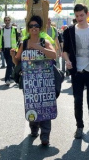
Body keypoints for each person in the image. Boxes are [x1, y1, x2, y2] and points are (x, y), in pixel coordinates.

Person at [10, 15, 56, 145]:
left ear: (40, 28)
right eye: (31, 26)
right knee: (32, 105)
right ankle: (34, 128)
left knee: (45, 106)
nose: (34, 28)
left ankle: (45, 135)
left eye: (36, 26)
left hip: (44, 81)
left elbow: (54, 55)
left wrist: (38, 47)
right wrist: (13, 55)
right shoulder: (24, 43)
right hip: (29, 82)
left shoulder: (44, 41)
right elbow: (17, 61)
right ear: (28, 29)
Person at [63, 3, 89, 144]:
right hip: (77, 72)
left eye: (82, 15)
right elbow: (65, 50)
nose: (79, 18)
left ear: (87, 14)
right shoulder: (69, 31)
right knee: (78, 101)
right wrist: (67, 61)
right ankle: (79, 127)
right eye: (77, 16)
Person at [0, 16, 18, 85]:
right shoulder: (2, 30)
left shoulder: (14, 29)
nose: (7, 21)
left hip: (12, 49)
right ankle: (12, 77)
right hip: (5, 50)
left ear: (10, 21)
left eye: (8, 20)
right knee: (10, 64)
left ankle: (7, 79)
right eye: (6, 20)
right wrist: (0, 47)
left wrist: (16, 48)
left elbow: (18, 39)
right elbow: (0, 39)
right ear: (4, 21)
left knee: (9, 65)